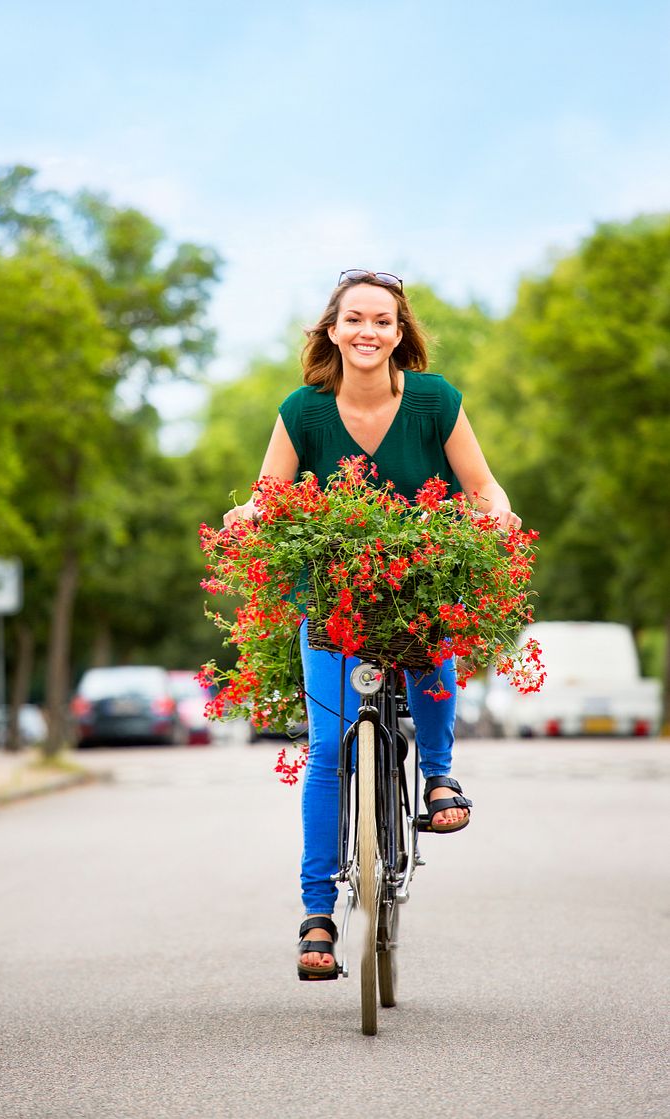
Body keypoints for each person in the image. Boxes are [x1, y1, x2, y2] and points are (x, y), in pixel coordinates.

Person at [223, 268, 522, 981]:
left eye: (382, 321)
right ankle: (318, 914)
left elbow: (481, 486)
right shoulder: (303, 410)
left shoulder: (434, 402)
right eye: (354, 318)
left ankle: (440, 778)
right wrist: (248, 515)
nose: (367, 331)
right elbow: (269, 494)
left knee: (433, 635)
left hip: (416, 584)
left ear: (398, 333)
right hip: (329, 598)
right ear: (332, 329)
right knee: (328, 750)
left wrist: (497, 515)